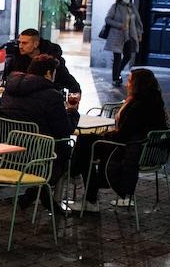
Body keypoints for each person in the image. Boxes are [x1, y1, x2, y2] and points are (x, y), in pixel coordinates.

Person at [71, 68, 168, 211]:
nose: (127, 85)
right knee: (87, 142)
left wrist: (107, 134)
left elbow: (125, 133)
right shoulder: (153, 101)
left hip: (129, 149)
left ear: (138, 84)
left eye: (130, 81)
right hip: (144, 149)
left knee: (86, 144)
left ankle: (76, 177)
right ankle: (79, 180)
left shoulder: (138, 106)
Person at [0, 54, 80, 204]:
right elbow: (64, 130)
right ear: (48, 73)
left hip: (7, 151)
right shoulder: (52, 96)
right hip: (39, 155)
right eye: (54, 72)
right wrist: (72, 111)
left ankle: (31, 194)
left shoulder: (9, 89)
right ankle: (37, 193)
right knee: (69, 151)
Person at [3, 28, 81, 94]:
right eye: (19, 42)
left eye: (24, 43)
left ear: (36, 44)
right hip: (22, 100)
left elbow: (70, 83)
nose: (20, 46)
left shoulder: (51, 60)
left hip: (47, 100)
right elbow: (7, 80)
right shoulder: (16, 58)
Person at [103, 0, 143, 88]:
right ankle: (115, 78)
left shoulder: (132, 8)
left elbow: (137, 22)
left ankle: (118, 72)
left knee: (128, 56)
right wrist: (119, 25)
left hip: (129, 36)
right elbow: (108, 19)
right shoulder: (115, 7)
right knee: (117, 58)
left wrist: (139, 33)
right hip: (117, 36)